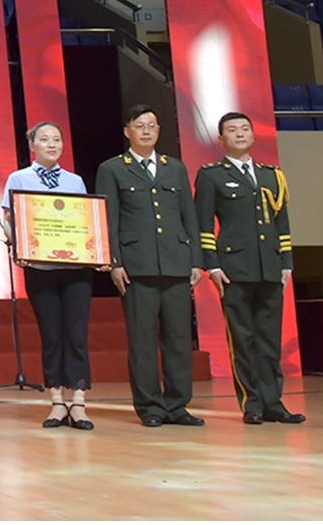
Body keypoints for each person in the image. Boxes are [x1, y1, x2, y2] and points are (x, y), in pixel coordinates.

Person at [95, 105, 206, 428]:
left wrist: (195, 260)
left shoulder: (175, 168)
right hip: (136, 266)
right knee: (142, 340)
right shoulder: (113, 168)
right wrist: (114, 262)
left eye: (152, 125)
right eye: (140, 125)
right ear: (127, 131)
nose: (147, 131)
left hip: (176, 263)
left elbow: (189, 217)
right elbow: (108, 219)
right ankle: (150, 406)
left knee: (179, 339)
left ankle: (178, 405)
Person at [196, 111, 302, 425]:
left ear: (254, 135)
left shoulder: (272, 175)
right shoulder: (212, 175)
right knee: (242, 340)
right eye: (232, 130)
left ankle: (274, 402)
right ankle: (252, 403)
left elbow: (282, 224)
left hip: (270, 267)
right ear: (221, 139)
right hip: (234, 269)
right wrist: (213, 266)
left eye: (245, 129)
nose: (240, 134)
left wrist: (286, 263)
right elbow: (203, 225)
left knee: (269, 340)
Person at [0, 122, 95, 430]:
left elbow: (86, 219)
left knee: (77, 335)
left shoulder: (75, 180)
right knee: (51, 334)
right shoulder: (19, 178)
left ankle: (78, 402)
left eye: (56, 139)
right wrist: (20, 246)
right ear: (32, 146)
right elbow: (7, 217)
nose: (51, 144)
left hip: (76, 270)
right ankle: (56, 401)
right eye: (44, 139)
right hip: (40, 270)